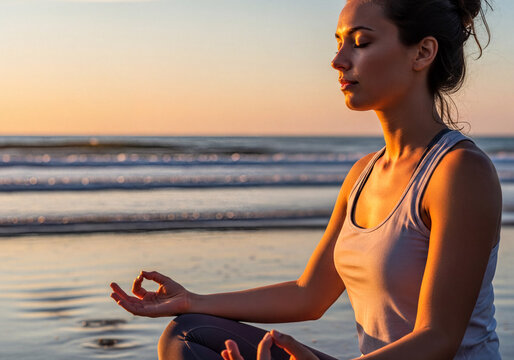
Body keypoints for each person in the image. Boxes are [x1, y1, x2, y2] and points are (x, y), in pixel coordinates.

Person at [110, 0, 502, 358]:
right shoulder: (363, 174)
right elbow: (309, 295)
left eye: (361, 43)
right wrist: (191, 300)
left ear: (422, 52)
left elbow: (438, 338)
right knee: (187, 334)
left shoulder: (459, 172)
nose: (338, 61)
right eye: (338, 43)